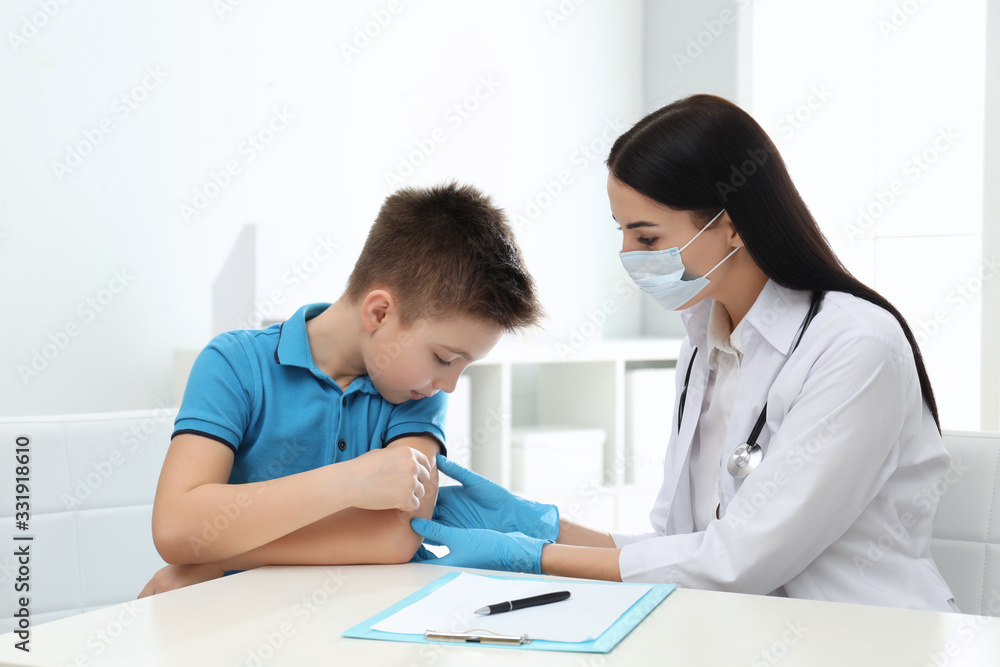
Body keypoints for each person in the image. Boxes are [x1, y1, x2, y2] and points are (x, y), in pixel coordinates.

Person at [410, 95, 958, 612]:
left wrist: (536, 557)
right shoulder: (705, 342)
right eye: (621, 232)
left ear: (733, 226)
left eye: (646, 238)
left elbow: (737, 563)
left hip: (873, 638)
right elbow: (681, 550)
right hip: (740, 631)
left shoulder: (853, 346)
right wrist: (541, 526)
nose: (626, 255)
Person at [139, 182, 542, 597]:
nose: (450, 385)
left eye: (464, 365)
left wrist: (219, 557)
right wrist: (350, 482)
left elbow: (395, 537)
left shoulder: (419, 392)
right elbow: (176, 527)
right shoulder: (234, 364)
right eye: (443, 357)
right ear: (379, 312)